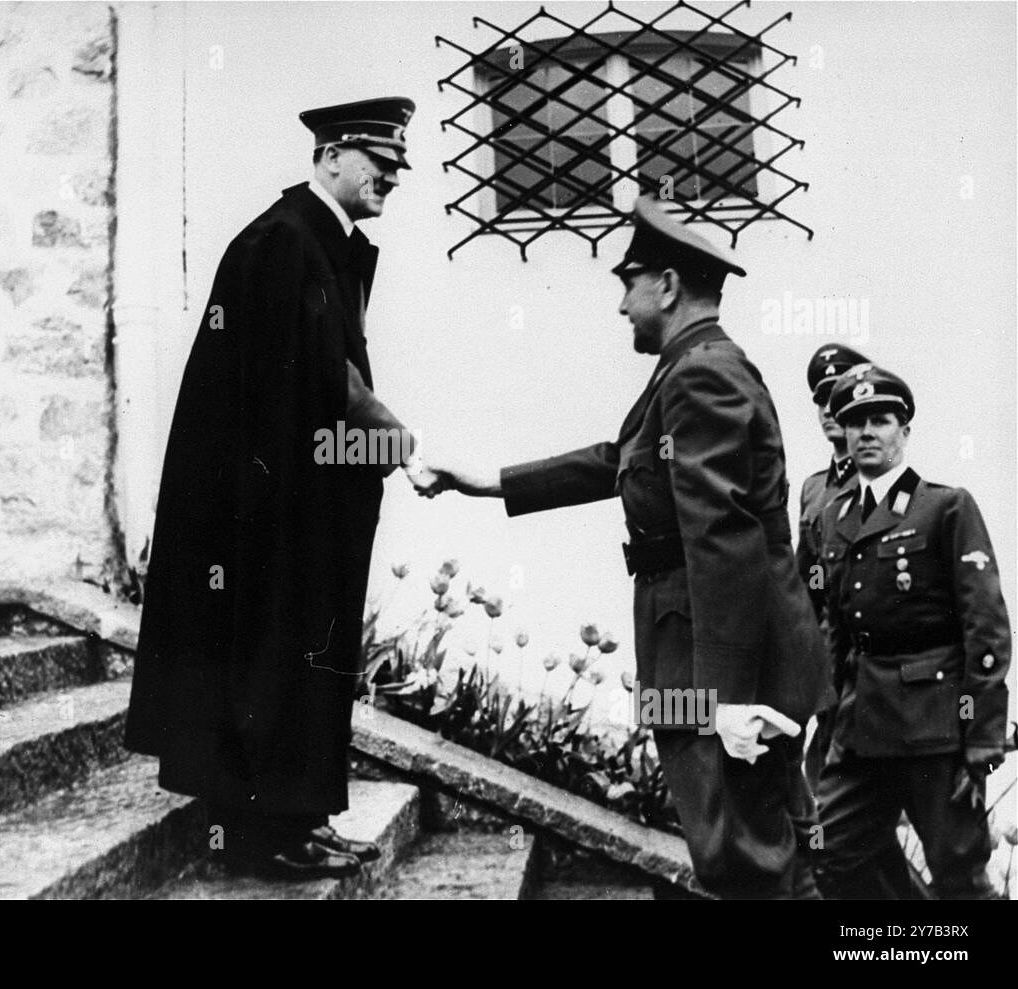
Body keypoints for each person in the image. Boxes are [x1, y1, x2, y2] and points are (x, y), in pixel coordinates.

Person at [430, 197, 828, 898]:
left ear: (667, 285)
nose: (621, 306)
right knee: (760, 849)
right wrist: (489, 482)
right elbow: (619, 458)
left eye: (627, 283)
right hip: (707, 642)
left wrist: (724, 699)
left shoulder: (702, 372)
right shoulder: (689, 366)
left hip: (717, 658)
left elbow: (723, 536)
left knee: (743, 855)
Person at [124, 97, 438, 879]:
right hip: (263, 512)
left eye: (398, 165)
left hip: (306, 500)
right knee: (270, 658)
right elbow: (317, 379)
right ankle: (264, 831)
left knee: (306, 656)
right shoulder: (283, 243)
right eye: (379, 160)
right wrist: (401, 446)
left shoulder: (317, 241)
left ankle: (304, 815)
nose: (392, 176)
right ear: (331, 155)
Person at [812, 364, 1010, 899]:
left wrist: (982, 734)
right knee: (824, 851)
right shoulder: (833, 517)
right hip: (861, 729)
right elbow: (835, 628)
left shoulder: (945, 507)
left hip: (935, 728)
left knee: (959, 874)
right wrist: (828, 716)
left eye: (880, 420)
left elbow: (986, 630)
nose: (867, 432)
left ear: (905, 430)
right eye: (855, 422)